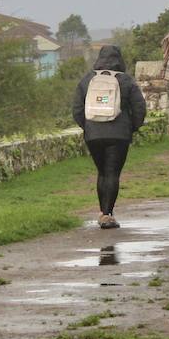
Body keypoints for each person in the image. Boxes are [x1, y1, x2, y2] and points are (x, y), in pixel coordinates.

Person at [72, 44, 147, 229]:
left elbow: (76, 110)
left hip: (93, 135)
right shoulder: (126, 81)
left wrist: (88, 127)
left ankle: (103, 212)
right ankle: (107, 214)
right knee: (112, 172)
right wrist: (131, 128)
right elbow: (140, 108)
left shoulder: (86, 80)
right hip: (119, 135)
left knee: (102, 172)